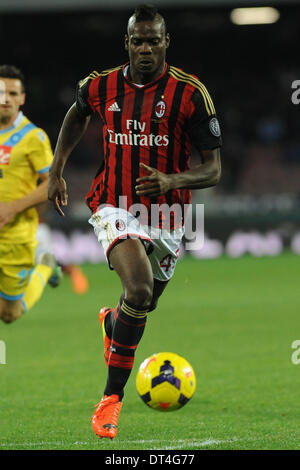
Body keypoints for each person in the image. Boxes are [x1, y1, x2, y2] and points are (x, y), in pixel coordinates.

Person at [48, 4, 222, 439]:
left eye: (154, 40)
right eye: (138, 40)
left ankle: (112, 324)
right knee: (139, 288)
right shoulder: (100, 85)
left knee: (141, 305)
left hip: (168, 213)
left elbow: (214, 168)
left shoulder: (190, 93)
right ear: (127, 43)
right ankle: (110, 401)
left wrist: (172, 179)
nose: (146, 48)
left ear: (166, 43)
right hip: (113, 202)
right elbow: (76, 113)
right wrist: (56, 170)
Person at [0, 65, 62, 324]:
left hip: (16, 237)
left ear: (22, 98)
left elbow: (52, 185)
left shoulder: (33, 137)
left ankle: (46, 266)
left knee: (9, 315)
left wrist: (12, 208)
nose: (6, 99)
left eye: (13, 94)